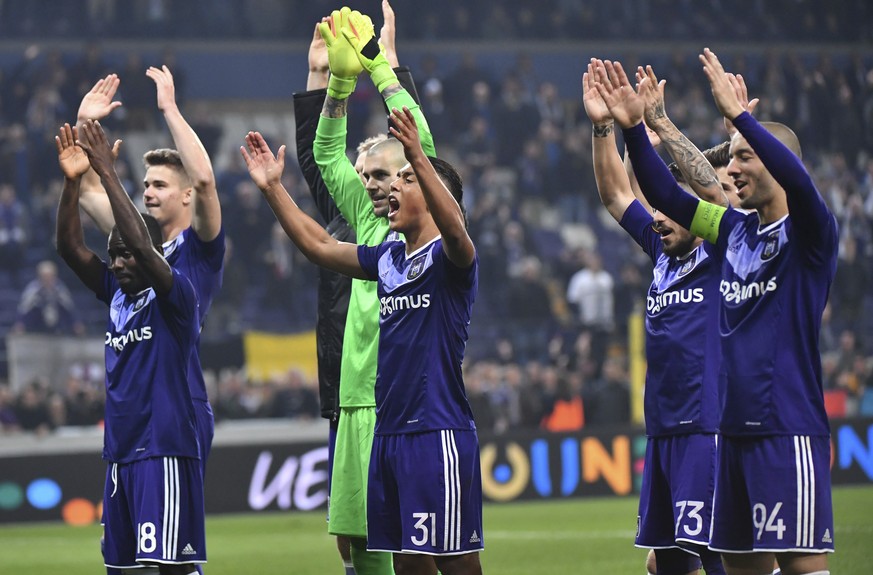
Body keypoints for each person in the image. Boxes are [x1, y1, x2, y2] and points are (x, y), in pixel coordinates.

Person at [595, 51, 837, 575]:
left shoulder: (811, 234)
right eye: (733, 158)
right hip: (731, 433)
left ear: (775, 162)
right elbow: (662, 192)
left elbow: (800, 183)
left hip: (786, 428)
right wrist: (636, 126)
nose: (732, 169)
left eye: (745, 158)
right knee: (739, 566)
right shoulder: (732, 233)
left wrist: (744, 120)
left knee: (800, 567)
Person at [242, 104, 482, 574]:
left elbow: (453, 224)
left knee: (457, 566)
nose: (392, 189)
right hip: (389, 435)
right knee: (407, 566)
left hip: (437, 432)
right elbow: (322, 247)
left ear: (436, 200)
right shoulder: (388, 259)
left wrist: (416, 154)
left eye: (405, 182)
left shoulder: (453, 259)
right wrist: (273, 189)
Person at [292, 3, 424, 571]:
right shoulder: (365, 222)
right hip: (354, 403)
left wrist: (383, 67)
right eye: (366, 175)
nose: (372, 184)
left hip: (414, 405)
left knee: (424, 548)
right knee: (360, 545)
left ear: (412, 175)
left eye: (384, 174)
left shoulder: (434, 222)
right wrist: (338, 84)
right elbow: (322, 155)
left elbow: (420, 142)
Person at [583, 61, 725, 575]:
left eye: (669, 209)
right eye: (657, 210)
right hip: (663, 430)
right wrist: (603, 126)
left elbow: (712, 196)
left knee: (717, 555)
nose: (659, 218)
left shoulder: (719, 252)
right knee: (663, 564)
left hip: (706, 426)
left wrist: (655, 125)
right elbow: (616, 194)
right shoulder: (662, 252)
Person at [56, 120, 204, 574]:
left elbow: (141, 244)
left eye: (127, 254)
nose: (119, 262)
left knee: (172, 569)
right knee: (121, 571)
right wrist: (73, 182)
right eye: (113, 254)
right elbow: (67, 247)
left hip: (163, 451)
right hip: (119, 455)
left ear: (152, 255)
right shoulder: (116, 293)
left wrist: (108, 172)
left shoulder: (177, 296)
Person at [76, 68, 224, 479]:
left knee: (170, 540)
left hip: (180, 405)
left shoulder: (200, 248)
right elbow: (87, 192)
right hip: (139, 405)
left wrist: (170, 110)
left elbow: (207, 180)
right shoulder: (136, 240)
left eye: (159, 184)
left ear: (186, 195)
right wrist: (84, 123)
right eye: (145, 184)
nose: (147, 192)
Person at [13, 259, 85, 335]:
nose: (47, 279)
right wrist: (20, 324)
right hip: (37, 328)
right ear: (39, 276)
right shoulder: (32, 289)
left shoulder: (60, 289)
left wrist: (76, 323)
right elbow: (24, 308)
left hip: (58, 328)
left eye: (50, 276)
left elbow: (70, 307)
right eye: (44, 276)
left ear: (55, 276)